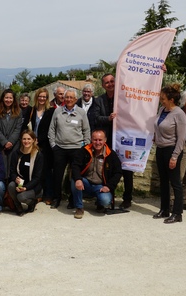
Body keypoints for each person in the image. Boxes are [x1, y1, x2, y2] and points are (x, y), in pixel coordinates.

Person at [94, 73, 135, 209]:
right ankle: (106, 197)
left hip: (124, 139)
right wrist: (108, 119)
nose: (110, 84)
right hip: (108, 140)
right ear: (103, 85)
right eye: (107, 82)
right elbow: (95, 118)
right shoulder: (99, 100)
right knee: (106, 170)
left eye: (112, 81)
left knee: (127, 169)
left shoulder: (124, 98)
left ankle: (127, 198)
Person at [48, 88, 90, 208]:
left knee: (75, 175)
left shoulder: (81, 112)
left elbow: (86, 130)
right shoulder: (58, 112)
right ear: (63, 99)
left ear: (76, 99)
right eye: (67, 97)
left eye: (71, 97)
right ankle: (57, 198)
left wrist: (85, 147)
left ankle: (73, 200)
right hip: (60, 148)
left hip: (77, 148)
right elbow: (51, 130)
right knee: (58, 175)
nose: (69, 99)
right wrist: (53, 145)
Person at [153, 84, 186, 224]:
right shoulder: (162, 110)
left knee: (175, 183)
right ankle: (164, 209)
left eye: (163, 98)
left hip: (172, 150)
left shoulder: (179, 114)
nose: (161, 101)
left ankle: (177, 213)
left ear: (171, 99)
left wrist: (175, 156)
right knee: (163, 181)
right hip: (160, 149)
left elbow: (181, 138)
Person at [69, 130, 122, 219]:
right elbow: (75, 166)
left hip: (101, 186)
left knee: (105, 200)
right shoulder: (84, 151)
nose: (97, 143)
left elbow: (118, 172)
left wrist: (109, 186)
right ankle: (79, 207)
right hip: (86, 183)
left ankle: (100, 203)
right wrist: (78, 179)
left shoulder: (111, 154)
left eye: (100, 140)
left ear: (105, 140)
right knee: (75, 180)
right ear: (91, 140)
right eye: (95, 140)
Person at [7, 130, 44, 216]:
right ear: (21, 140)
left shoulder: (38, 155)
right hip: (20, 183)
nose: (26, 141)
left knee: (21, 197)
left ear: (34, 140)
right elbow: (12, 171)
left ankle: (32, 203)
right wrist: (15, 178)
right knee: (11, 186)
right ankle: (18, 207)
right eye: (24, 139)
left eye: (29, 139)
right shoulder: (16, 154)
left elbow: (37, 178)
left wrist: (25, 188)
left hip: (33, 186)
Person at [0, 89, 23, 175]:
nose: (8, 100)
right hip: (0, 145)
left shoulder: (18, 112)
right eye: (6, 98)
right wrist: (4, 142)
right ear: (2, 98)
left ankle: (10, 186)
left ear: (13, 99)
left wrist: (11, 142)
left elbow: (18, 128)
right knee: (1, 167)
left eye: (10, 98)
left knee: (13, 167)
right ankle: (1, 186)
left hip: (14, 145)